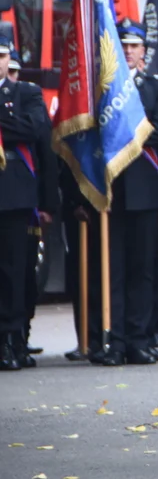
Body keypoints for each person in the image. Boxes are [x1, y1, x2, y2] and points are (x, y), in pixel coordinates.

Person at [89, 18, 158, 366]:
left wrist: (125, 132)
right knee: (111, 268)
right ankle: (113, 340)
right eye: (123, 46)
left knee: (142, 268)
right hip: (110, 190)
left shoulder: (156, 86)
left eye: (134, 46)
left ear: (144, 51)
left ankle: (139, 340)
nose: (128, 51)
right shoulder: (103, 88)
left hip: (144, 189)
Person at [0, 35, 56, 370]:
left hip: (12, 197)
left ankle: (11, 338)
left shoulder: (26, 93)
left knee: (12, 271)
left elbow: (35, 131)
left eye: (1, 55)